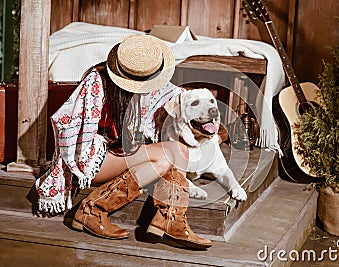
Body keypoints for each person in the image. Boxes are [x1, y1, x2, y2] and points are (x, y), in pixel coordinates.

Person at [35, 34, 212, 250]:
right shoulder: (96, 81)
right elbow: (70, 129)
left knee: (169, 158)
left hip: (117, 153)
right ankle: (98, 209)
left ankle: (165, 218)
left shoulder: (148, 77)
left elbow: (176, 95)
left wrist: (204, 109)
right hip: (90, 159)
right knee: (171, 154)